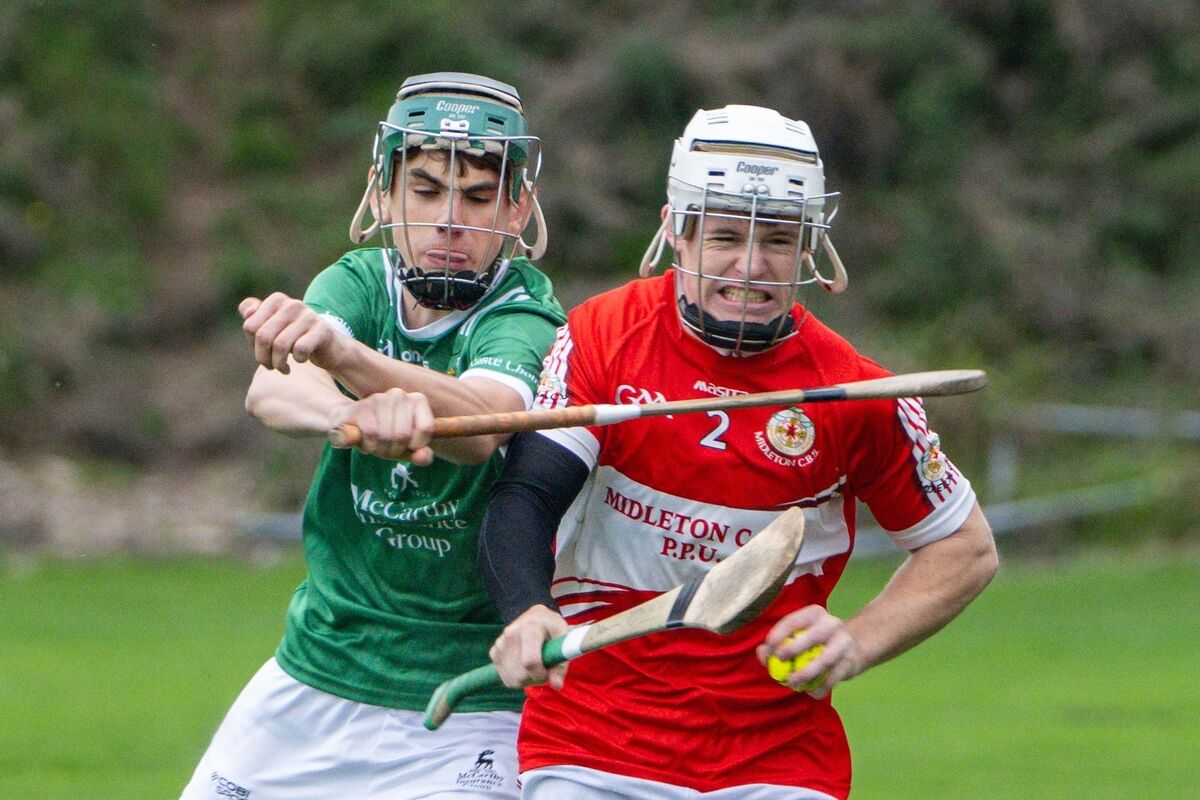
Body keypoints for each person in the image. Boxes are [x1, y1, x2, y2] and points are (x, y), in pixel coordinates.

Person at [478, 104, 998, 800]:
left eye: (779, 240)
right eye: (725, 236)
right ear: (677, 232)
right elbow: (529, 493)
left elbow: (964, 548)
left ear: (810, 249)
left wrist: (859, 639)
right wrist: (523, 607)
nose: (751, 267)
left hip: (778, 762)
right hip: (593, 746)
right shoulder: (603, 335)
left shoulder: (853, 391)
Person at [181, 72, 565, 800]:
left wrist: (349, 363)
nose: (450, 220)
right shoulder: (357, 281)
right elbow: (271, 386)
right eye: (424, 190)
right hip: (316, 667)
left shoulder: (528, 315)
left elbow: (480, 423)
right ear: (383, 193)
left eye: (478, 197)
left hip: (466, 697)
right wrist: (346, 415)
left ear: (518, 208)